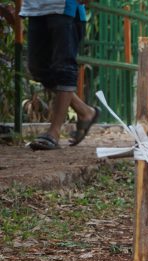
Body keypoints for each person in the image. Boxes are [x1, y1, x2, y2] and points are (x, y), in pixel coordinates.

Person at [21, 0, 100, 150]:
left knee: (64, 68)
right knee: (38, 69)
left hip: (65, 8)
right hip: (34, 8)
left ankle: (54, 132)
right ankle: (86, 112)